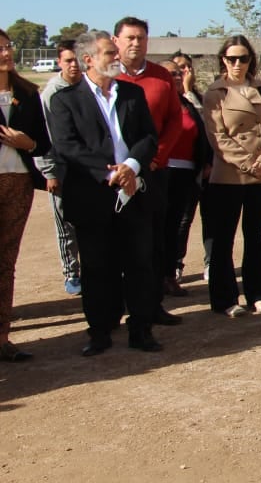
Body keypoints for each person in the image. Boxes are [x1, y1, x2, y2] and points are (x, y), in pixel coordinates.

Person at [47, 32, 161, 355]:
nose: (117, 57)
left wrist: (132, 167)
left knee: (140, 263)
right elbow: (68, 147)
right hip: (93, 196)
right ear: (88, 60)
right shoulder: (65, 100)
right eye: (110, 52)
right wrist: (112, 172)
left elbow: (148, 137)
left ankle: (141, 329)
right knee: (97, 268)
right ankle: (99, 331)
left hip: (133, 192)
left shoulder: (132, 94)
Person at [201, 36, 261, 317]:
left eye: (243, 58)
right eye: (232, 58)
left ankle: (258, 294)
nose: (237, 64)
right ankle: (225, 299)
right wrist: (249, 163)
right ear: (223, 59)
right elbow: (218, 137)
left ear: (251, 60)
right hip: (229, 175)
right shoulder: (215, 93)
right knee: (224, 239)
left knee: (255, 235)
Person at [114, 16, 185, 327]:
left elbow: (173, 120)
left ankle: (152, 305)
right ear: (116, 41)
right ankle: (114, 309)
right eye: (129, 37)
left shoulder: (161, 77)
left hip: (154, 170)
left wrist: (156, 158)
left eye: (141, 38)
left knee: (153, 241)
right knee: (115, 242)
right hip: (113, 174)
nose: (135, 43)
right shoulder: (107, 77)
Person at [0, 29, 52, 361]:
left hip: (17, 183)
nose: (6, 53)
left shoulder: (27, 92)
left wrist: (26, 144)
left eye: (7, 46)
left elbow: (44, 144)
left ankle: (2, 337)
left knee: (6, 263)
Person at [35, 40, 83, 295]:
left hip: (86, 169)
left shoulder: (88, 88)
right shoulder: (52, 93)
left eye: (77, 59)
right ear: (59, 63)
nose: (74, 65)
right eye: (68, 61)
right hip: (61, 169)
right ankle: (71, 273)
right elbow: (43, 135)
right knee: (65, 223)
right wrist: (49, 171)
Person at [160, 60, 211, 297]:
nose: (178, 77)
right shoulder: (156, 103)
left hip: (188, 172)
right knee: (158, 225)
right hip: (161, 171)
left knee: (179, 225)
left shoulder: (186, 103)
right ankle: (156, 276)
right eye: (171, 74)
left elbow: (202, 129)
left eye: (179, 73)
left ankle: (170, 273)